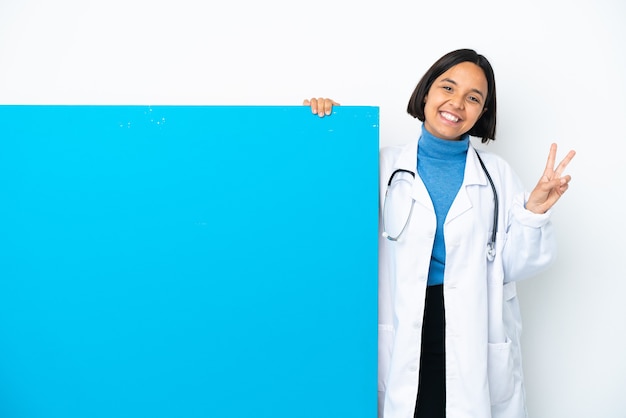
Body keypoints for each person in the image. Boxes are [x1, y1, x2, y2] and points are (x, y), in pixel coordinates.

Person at [304, 48, 575, 418]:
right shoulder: (380, 165)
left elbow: (512, 267)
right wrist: (329, 132)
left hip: (472, 331)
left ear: (482, 112)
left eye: (473, 98)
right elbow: (326, 213)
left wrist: (535, 210)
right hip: (403, 327)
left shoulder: (497, 177)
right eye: (448, 87)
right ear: (427, 91)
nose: (457, 103)